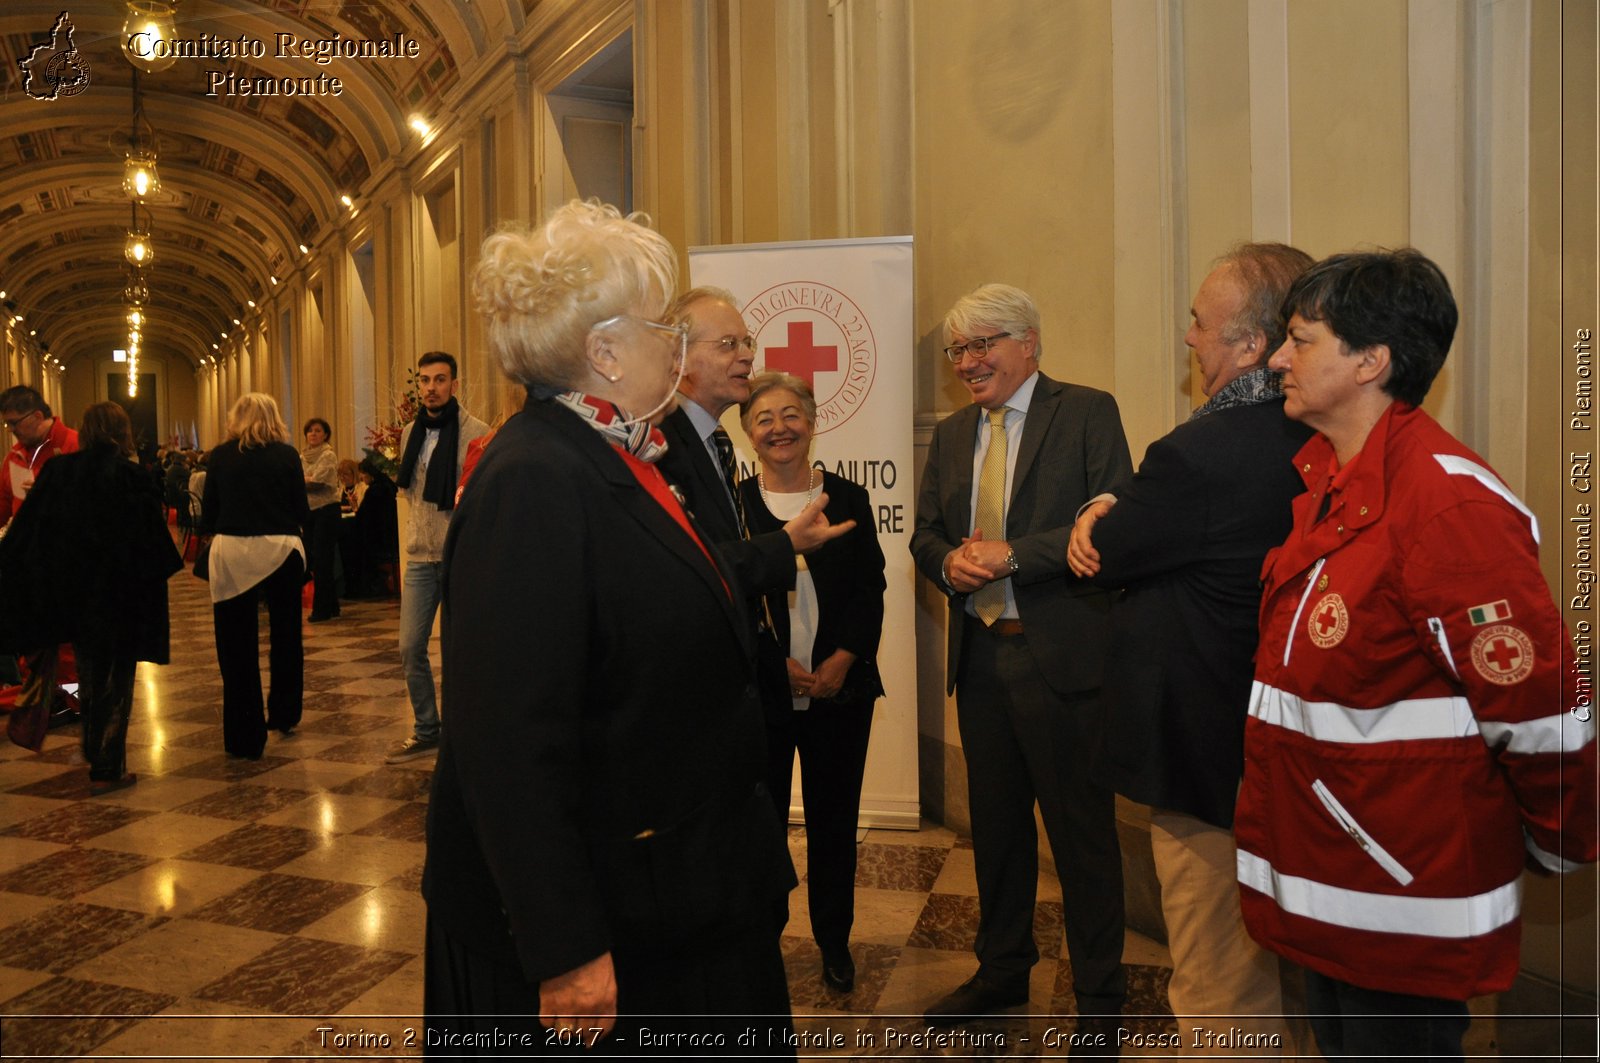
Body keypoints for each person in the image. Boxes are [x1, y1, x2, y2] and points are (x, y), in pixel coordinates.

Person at [422, 199, 796, 1053]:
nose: (677, 340)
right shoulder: (533, 478)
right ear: (604, 350)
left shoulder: (615, 453)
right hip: (605, 913)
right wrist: (565, 946)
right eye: (663, 323)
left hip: (676, 884)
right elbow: (507, 739)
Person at [1235, 249, 1597, 1060]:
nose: (1280, 357)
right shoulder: (1335, 480)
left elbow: (1539, 705)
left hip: (1403, 895)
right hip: (1335, 875)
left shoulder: (1446, 506)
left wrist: (1558, 835)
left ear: (1372, 360)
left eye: (1300, 338)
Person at [1068, 243, 1313, 1052]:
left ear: (1250, 344)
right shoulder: (1321, 442)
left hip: (1206, 759)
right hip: (1288, 749)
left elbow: (1114, 551)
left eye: (1200, 325)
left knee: (1218, 983)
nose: (1187, 339)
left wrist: (1101, 506)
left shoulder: (1200, 454)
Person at [910, 283, 1133, 1029]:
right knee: (997, 833)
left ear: (1029, 343)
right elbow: (927, 533)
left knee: (1082, 842)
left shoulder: (1087, 411)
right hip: (980, 662)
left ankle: (1101, 1001)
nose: (969, 362)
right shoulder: (949, 435)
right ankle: (1002, 970)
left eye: (985, 344)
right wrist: (949, 565)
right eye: (959, 349)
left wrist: (1007, 556)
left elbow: (1109, 520)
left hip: (1062, 664)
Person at [657, 288, 851, 784]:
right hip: (697, 691)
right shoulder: (658, 444)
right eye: (728, 344)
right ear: (679, 356)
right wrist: (785, 546)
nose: (746, 355)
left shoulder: (713, 441)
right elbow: (683, 568)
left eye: (747, 341)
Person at [738, 372, 885, 995]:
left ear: (812, 421)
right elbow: (730, 602)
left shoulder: (847, 498)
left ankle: (834, 941)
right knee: (760, 827)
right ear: (748, 434)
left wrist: (843, 659)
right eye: (764, 417)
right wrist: (779, 669)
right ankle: (760, 944)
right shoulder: (734, 503)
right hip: (763, 697)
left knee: (834, 821)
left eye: (791, 413)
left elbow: (870, 587)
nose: (779, 427)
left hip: (838, 693)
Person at [0, 402, 181, 793]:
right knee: (118, 685)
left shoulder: (60, 472)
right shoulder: (133, 476)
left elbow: (27, 534)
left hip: (76, 598)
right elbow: (155, 548)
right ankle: (106, 765)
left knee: (89, 674)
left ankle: (92, 744)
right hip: (122, 598)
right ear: (123, 433)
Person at [386, 352, 489, 764]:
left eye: (440, 380)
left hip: (460, 557)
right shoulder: (410, 431)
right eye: (425, 380)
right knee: (410, 647)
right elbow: (409, 492)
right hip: (418, 558)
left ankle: (468, 734)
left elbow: (478, 497)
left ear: (454, 385)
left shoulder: (476, 433)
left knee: (463, 650)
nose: (431, 388)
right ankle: (427, 729)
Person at [202, 393, 310, 760]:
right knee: (286, 635)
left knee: (236, 646)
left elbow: (209, 512)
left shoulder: (220, 456)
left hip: (232, 549)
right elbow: (301, 508)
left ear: (235, 419)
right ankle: (284, 711)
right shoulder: (287, 455)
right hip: (281, 547)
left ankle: (244, 735)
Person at [0, 385, 81, 724]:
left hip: (68, 561)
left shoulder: (75, 445)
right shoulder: (16, 456)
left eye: (14, 423)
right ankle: (43, 695)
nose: (12, 431)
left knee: (67, 640)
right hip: (29, 564)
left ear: (36, 417)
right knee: (33, 635)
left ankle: (73, 698)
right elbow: (3, 506)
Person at [300, 417, 342, 622]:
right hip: (310, 511)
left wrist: (305, 479)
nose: (313, 434)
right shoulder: (302, 456)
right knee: (314, 559)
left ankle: (322, 609)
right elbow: (298, 480)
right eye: (310, 431)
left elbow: (317, 482)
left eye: (318, 431)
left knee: (323, 559)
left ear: (325, 434)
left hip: (326, 510)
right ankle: (332, 605)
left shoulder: (328, 455)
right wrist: (306, 479)